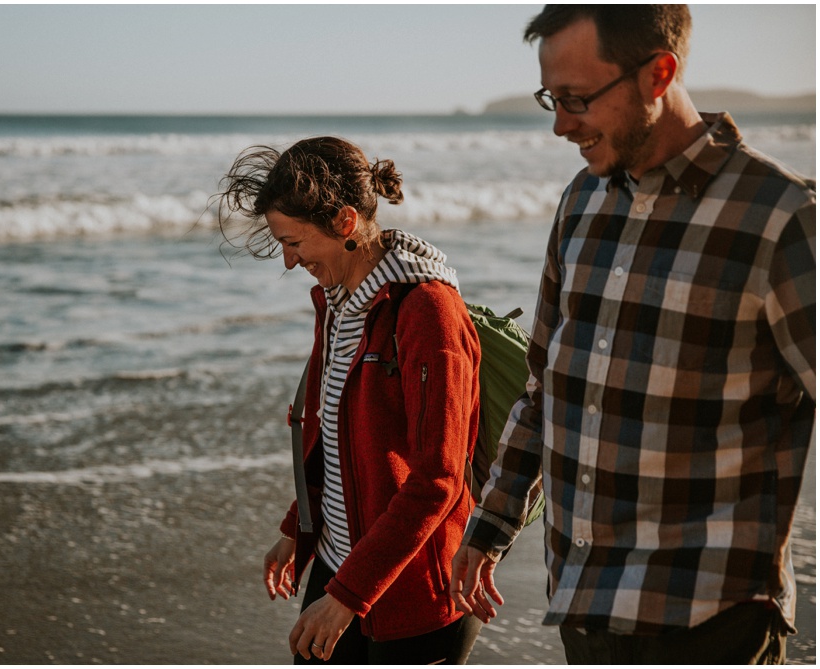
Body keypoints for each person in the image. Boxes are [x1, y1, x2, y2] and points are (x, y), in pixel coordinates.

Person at [450, 5, 815, 665]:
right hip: (585, 618)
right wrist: (491, 526)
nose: (560, 124)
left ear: (659, 73)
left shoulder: (780, 217)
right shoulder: (579, 203)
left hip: (712, 631)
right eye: (549, 99)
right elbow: (544, 388)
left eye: (576, 99)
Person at [217, 136, 483, 664]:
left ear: (343, 222)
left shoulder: (427, 312)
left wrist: (347, 597)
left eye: (294, 242)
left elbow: (439, 480)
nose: (290, 262)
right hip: (340, 567)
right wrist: (300, 528)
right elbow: (332, 437)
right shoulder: (338, 303)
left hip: (412, 597)